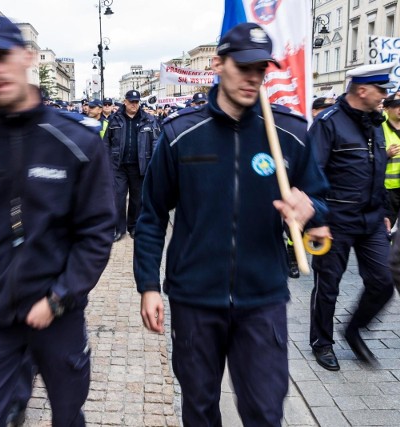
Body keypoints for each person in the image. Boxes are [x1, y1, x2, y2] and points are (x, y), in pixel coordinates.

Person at [134, 23, 329, 426]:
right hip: (195, 299)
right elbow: (151, 214)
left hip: (263, 299)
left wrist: (310, 210)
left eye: (261, 68)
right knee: (200, 408)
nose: (253, 77)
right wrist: (148, 286)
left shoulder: (289, 134)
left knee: (264, 408)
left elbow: (320, 202)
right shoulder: (179, 134)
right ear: (219, 64)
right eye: (243, 66)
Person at [0, 15, 115, 426]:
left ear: (27, 57)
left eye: (3, 56)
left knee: (67, 412)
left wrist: (59, 297)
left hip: (57, 314)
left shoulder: (79, 141)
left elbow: (98, 231)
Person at [307, 63, 396, 371]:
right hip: (335, 220)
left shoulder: (374, 123)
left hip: (371, 220)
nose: (385, 96)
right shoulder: (329, 123)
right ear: (362, 90)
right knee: (328, 285)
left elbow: (377, 170)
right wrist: (317, 220)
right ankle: (322, 341)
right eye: (382, 90)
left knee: (384, 281)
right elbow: (311, 173)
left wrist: (384, 211)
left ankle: (354, 329)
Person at [105, 89, 160, 241]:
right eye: (131, 102)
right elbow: (106, 142)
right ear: (125, 102)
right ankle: (118, 228)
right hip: (119, 166)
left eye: (136, 102)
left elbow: (156, 142)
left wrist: (154, 162)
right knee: (118, 198)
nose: (134, 105)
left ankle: (134, 226)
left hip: (140, 166)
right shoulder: (115, 119)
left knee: (137, 200)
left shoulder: (148, 119)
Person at [381, 93, 400, 227]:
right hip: (387, 189)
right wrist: (386, 154)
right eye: (396, 106)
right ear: (387, 108)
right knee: (387, 226)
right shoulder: (379, 127)